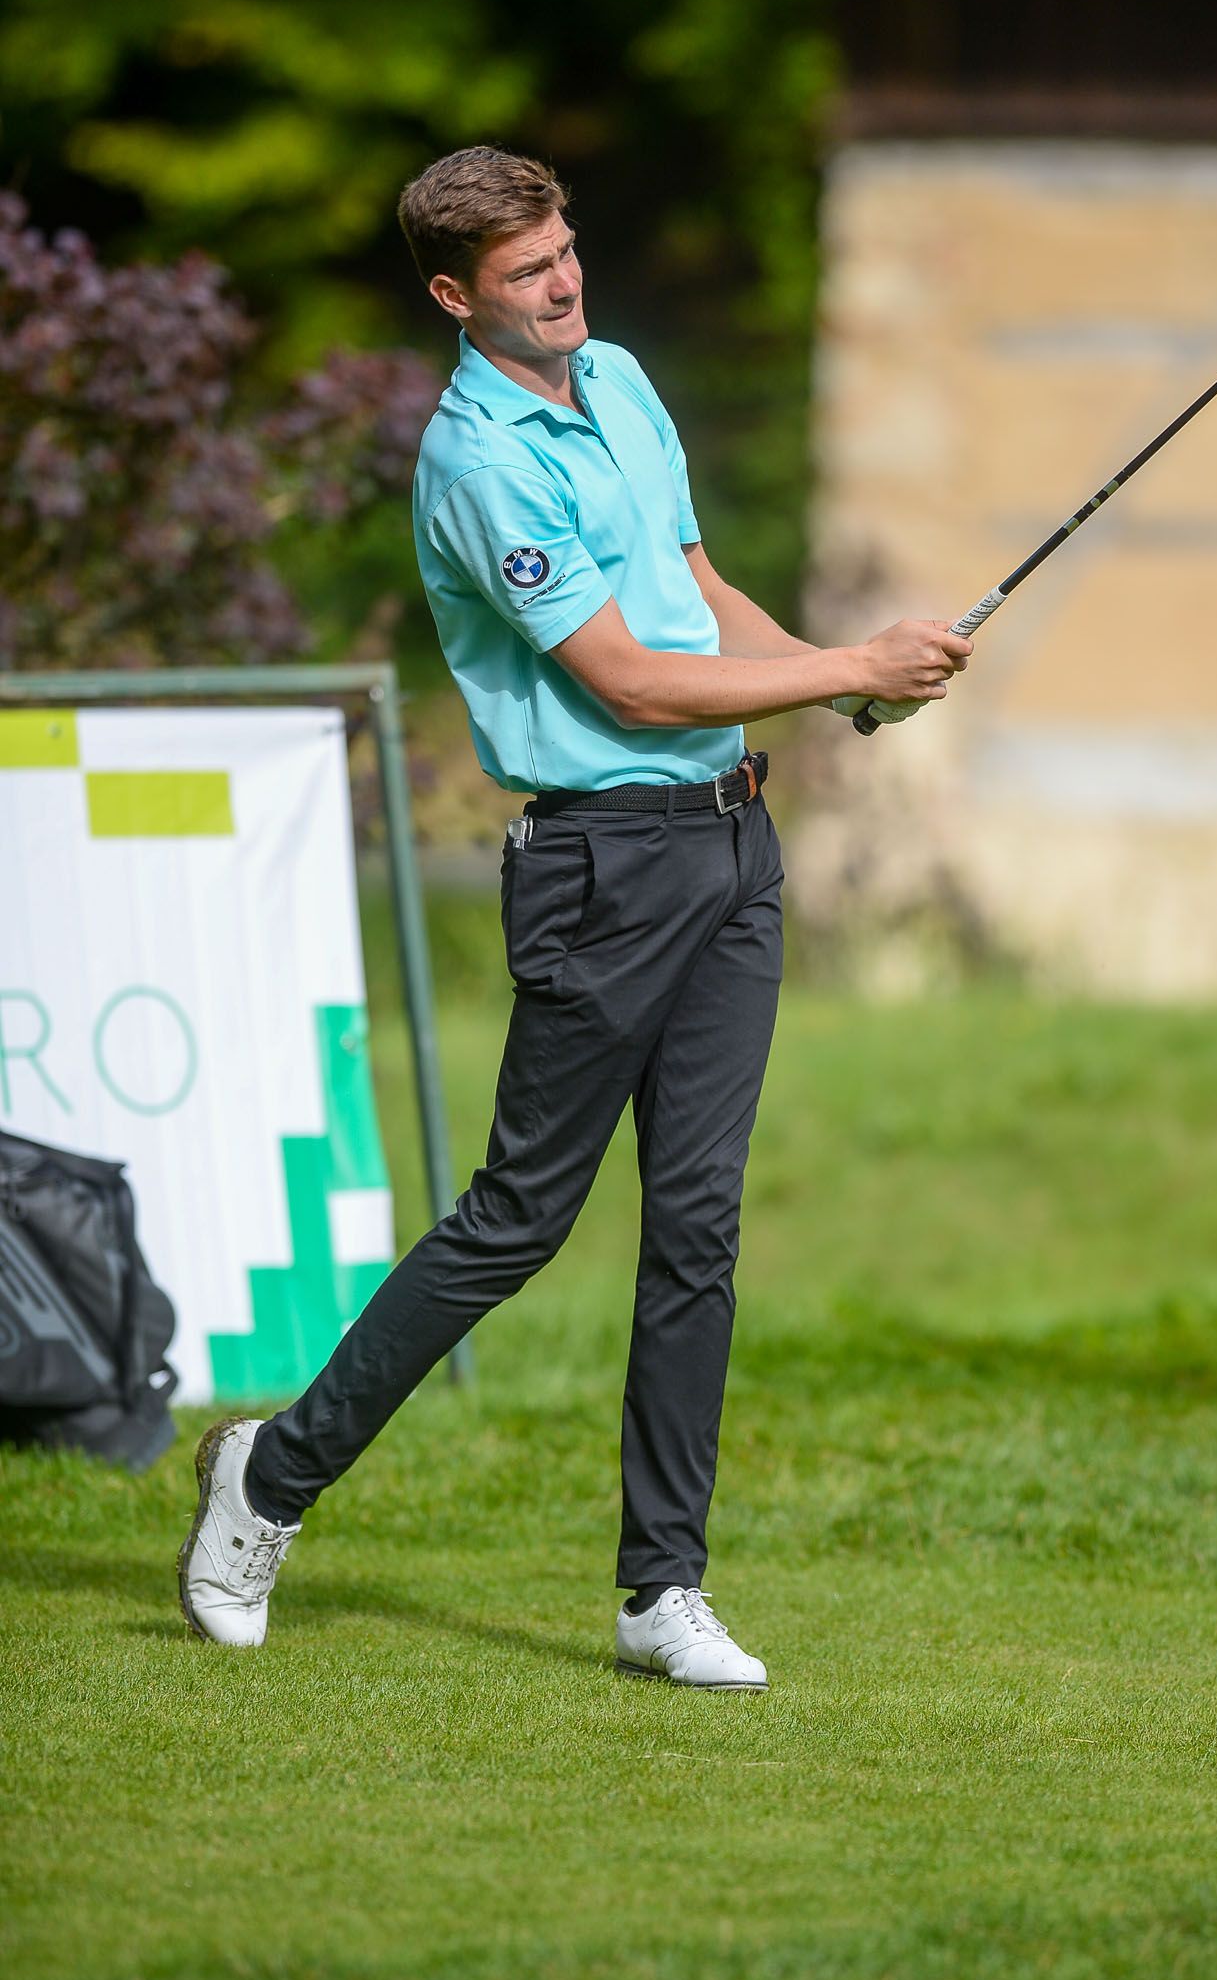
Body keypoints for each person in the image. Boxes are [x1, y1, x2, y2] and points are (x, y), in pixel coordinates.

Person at [177, 145, 971, 1687]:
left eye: (565, 249)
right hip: (602, 868)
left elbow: (695, 593)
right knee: (520, 1218)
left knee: (700, 1226)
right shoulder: (476, 463)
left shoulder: (617, 379)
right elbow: (625, 680)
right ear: (453, 295)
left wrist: (837, 684)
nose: (563, 283)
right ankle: (270, 1480)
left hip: (731, 850)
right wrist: (847, 667)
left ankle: (660, 1589)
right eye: (527, 271)